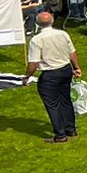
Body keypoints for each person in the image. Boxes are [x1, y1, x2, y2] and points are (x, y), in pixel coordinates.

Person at [26, 8, 82, 141]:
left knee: (52, 105)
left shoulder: (36, 40)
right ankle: (71, 129)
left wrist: (26, 76)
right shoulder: (63, 34)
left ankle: (60, 134)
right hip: (65, 70)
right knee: (65, 100)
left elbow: (33, 63)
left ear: (38, 24)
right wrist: (76, 67)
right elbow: (72, 53)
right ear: (52, 21)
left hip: (50, 74)